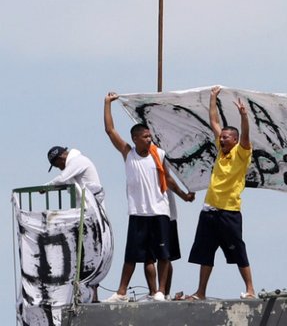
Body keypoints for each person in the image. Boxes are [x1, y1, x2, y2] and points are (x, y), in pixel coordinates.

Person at [103, 92, 194, 303]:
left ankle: (161, 291)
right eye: (145, 137)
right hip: (138, 212)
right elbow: (110, 130)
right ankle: (122, 292)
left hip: (159, 212)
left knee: (163, 254)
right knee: (132, 255)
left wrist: (183, 195)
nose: (149, 139)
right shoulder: (129, 154)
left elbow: (168, 180)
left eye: (150, 136)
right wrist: (107, 104)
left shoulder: (158, 154)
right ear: (135, 138)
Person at [187, 86, 256, 300]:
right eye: (222, 138)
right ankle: (201, 292)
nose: (223, 139)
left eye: (227, 138)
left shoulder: (241, 152)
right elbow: (214, 122)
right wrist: (212, 99)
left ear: (234, 140)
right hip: (210, 209)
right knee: (205, 252)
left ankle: (250, 289)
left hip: (229, 212)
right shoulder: (221, 150)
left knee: (238, 251)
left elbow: (245, 135)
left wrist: (244, 116)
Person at [45, 145, 110, 302]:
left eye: (57, 165)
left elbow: (62, 178)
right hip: (86, 216)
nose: (58, 168)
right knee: (86, 254)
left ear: (60, 159)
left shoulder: (78, 161)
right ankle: (88, 295)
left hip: (90, 216)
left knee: (91, 254)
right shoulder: (75, 163)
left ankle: (92, 296)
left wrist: (46, 188)